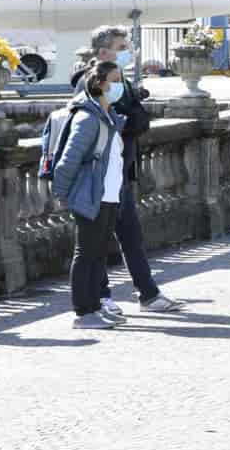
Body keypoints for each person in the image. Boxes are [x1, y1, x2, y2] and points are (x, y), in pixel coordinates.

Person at [72, 26, 184, 319]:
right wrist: (130, 116)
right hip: (100, 174)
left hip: (119, 169)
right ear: (104, 52)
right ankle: (101, 296)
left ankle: (147, 292)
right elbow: (116, 122)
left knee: (130, 234)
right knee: (98, 240)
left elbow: (137, 119)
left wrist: (131, 115)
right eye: (122, 47)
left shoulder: (119, 82)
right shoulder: (91, 84)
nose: (128, 52)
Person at [52, 61, 126, 330]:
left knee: (97, 253)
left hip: (107, 194)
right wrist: (60, 193)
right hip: (91, 194)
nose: (120, 86)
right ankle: (83, 312)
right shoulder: (88, 118)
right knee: (86, 253)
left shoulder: (106, 115)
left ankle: (94, 305)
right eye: (116, 80)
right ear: (100, 84)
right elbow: (69, 160)